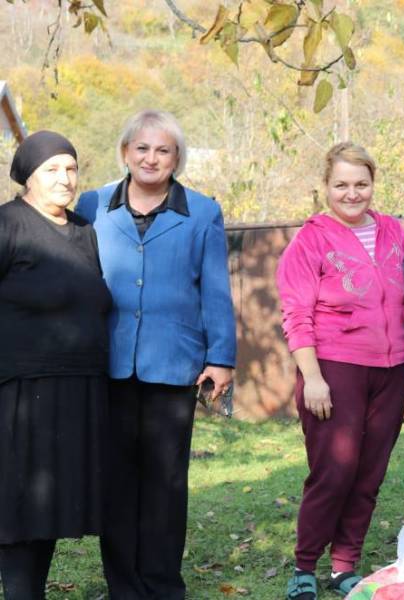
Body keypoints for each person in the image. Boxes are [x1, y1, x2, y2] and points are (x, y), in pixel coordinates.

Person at [76, 109, 236, 599]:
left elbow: (215, 289)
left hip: (174, 366)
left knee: (166, 483)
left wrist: (221, 356)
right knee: (116, 482)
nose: (151, 158)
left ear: (176, 158)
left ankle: (163, 585)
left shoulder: (203, 212)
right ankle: (123, 586)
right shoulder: (92, 205)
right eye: (142, 148)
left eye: (162, 150)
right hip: (109, 364)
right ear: (125, 152)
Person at [277, 142, 404, 600]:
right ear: (325, 187)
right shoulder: (310, 239)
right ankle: (305, 565)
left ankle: (344, 565)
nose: (352, 194)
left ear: (373, 183)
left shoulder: (395, 232)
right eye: (341, 185)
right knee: (334, 471)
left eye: (361, 184)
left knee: (369, 473)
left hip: (391, 370)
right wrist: (312, 377)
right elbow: (296, 314)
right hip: (334, 369)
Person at [0, 131, 111, 599]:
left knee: (46, 507)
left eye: (71, 168)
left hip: (78, 391)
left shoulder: (85, 230)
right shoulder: (8, 224)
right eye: (52, 170)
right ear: (28, 177)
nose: (65, 179)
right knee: (18, 504)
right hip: (20, 392)